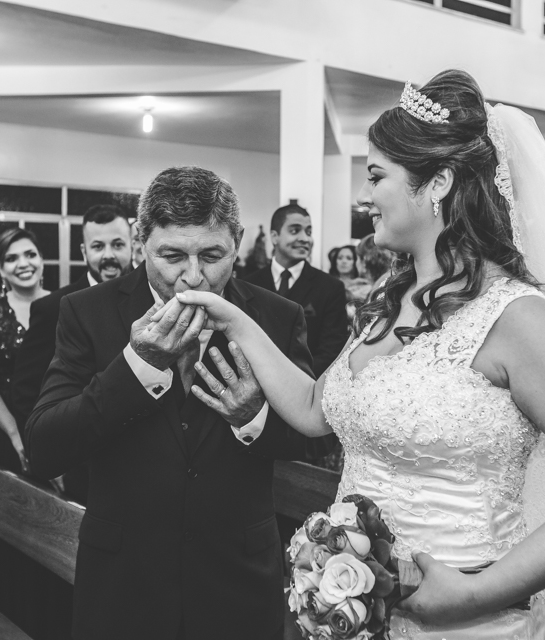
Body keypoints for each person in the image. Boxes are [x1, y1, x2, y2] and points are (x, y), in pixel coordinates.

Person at [179, 71, 545, 639]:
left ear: (438, 184)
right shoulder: (390, 300)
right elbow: (314, 407)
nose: (364, 196)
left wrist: (480, 590)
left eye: (377, 176)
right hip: (365, 614)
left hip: (470, 619)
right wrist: (231, 316)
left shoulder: (517, 318)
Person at [25, 166, 332, 640]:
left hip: (238, 581)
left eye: (212, 255)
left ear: (238, 240)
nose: (193, 276)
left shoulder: (277, 316)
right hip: (123, 584)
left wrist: (253, 417)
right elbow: (45, 445)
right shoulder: (86, 312)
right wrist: (136, 368)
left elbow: (314, 442)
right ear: (140, 240)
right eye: (171, 255)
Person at [13, 203, 133, 502]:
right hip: (83, 465)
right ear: (83, 252)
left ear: (134, 246)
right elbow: (28, 391)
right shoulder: (56, 306)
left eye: (118, 244)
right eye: (98, 246)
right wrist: (52, 454)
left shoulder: (155, 299)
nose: (108, 255)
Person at [0, 228, 49, 473]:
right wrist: (15, 433)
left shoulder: (65, 303)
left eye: (30, 254)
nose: (23, 263)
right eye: (11, 259)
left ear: (41, 260)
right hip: (6, 429)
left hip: (57, 424)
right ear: (1, 270)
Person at [245, 200, 349, 378]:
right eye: (295, 230)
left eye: (309, 232)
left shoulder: (330, 287)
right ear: (274, 236)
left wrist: (290, 381)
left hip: (306, 385)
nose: (305, 238)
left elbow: (331, 350)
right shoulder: (249, 284)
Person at [346, 233, 394, 303]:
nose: (355, 263)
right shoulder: (389, 281)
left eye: (357, 258)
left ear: (364, 262)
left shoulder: (381, 289)